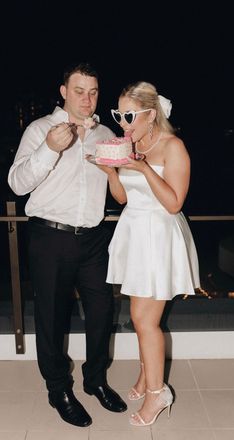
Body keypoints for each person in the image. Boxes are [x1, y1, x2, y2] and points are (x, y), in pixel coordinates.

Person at [8, 62, 127, 428]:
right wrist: (48, 149)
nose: (87, 99)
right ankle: (58, 388)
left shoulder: (106, 133)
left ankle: (95, 380)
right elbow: (16, 184)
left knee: (102, 312)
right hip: (49, 237)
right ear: (63, 91)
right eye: (79, 91)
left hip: (93, 238)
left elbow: (119, 189)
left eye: (93, 91)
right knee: (51, 318)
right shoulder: (39, 129)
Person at [101, 81, 200, 426]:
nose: (121, 122)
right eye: (118, 114)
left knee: (146, 321)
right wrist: (112, 171)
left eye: (128, 115)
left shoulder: (174, 147)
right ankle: (147, 374)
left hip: (158, 236)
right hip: (134, 234)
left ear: (150, 113)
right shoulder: (131, 143)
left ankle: (159, 393)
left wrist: (143, 168)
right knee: (138, 315)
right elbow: (122, 198)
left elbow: (174, 204)